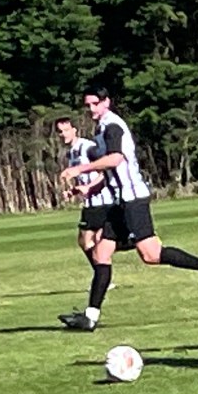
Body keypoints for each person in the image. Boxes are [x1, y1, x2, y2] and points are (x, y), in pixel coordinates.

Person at [58, 85, 198, 331]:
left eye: (95, 103)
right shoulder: (101, 128)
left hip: (133, 200)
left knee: (151, 255)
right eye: (88, 105)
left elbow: (115, 159)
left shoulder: (112, 126)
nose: (91, 109)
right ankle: (90, 317)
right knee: (100, 253)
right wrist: (87, 189)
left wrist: (80, 169)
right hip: (120, 202)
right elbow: (111, 171)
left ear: (106, 102)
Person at [54, 116, 116, 286]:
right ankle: (103, 279)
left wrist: (89, 187)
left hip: (102, 200)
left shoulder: (88, 147)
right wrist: (74, 191)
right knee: (89, 242)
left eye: (66, 130)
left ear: (75, 130)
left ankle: (103, 279)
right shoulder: (71, 153)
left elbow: (106, 171)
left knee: (91, 241)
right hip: (91, 202)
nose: (63, 134)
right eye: (60, 132)